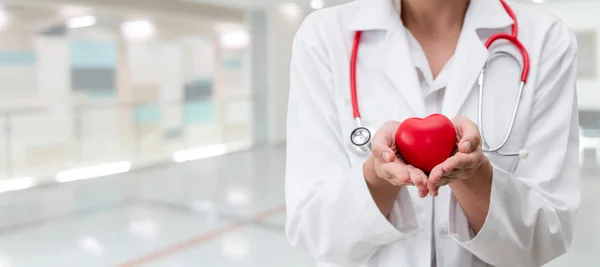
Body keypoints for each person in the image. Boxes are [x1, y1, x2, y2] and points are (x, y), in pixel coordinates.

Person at [284, 0, 581, 266]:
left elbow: (546, 237)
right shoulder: (324, 36)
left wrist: (474, 176)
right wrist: (378, 176)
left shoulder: (545, 38)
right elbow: (313, 231)